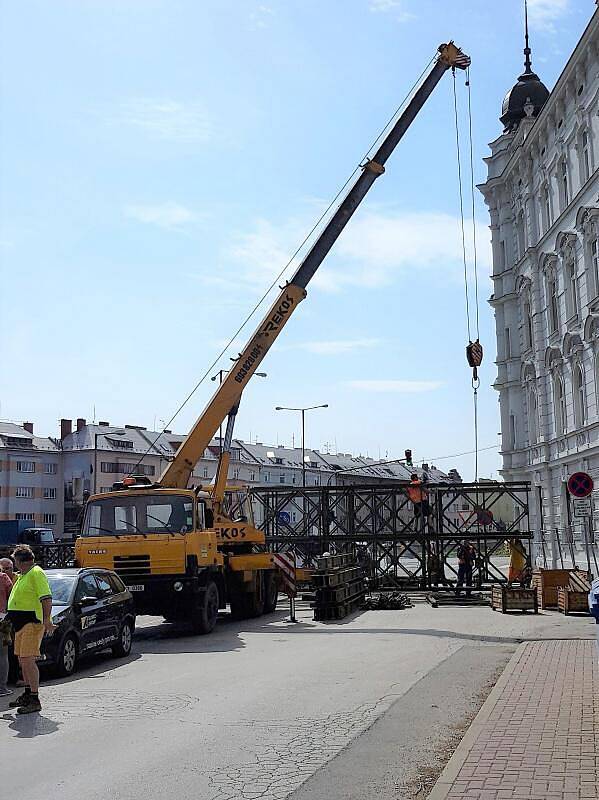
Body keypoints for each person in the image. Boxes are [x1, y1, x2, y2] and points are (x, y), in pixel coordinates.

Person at [5, 545, 55, 714]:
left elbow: (46, 597)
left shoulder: (36, 573)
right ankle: (27, 694)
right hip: (21, 623)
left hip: (31, 622)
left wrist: (47, 620)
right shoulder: (24, 575)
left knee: (27, 660)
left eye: (15, 561)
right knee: (22, 660)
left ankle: (34, 698)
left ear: (19, 561)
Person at [0, 562, 13, 696]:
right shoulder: (3, 577)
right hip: (2, 620)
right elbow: (12, 596)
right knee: (2, 655)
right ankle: (2, 688)